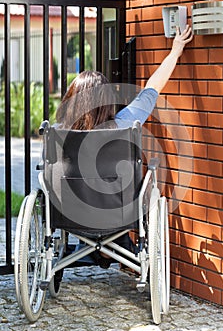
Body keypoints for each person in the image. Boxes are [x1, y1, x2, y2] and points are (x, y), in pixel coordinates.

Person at [55, 25, 193, 268]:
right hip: (117, 213)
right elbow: (153, 86)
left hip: (72, 212)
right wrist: (175, 51)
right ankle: (113, 248)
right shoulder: (125, 123)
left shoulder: (59, 133)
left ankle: (88, 246)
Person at [56, 25, 193, 130]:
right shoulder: (122, 124)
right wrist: (175, 52)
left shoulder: (56, 133)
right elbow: (153, 87)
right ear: (107, 101)